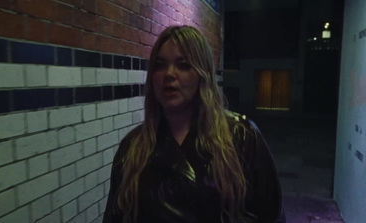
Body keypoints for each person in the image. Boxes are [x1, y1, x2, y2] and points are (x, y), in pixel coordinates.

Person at [103, 25, 286, 223]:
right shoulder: (132, 148)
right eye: (160, 65)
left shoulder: (242, 136)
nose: (169, 74)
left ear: (202, 74)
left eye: (183, 65)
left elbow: (271, 215)